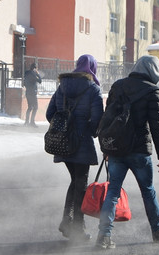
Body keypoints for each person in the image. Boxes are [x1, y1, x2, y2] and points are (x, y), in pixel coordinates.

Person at [95, 55, 159, 250]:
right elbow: (157, 127)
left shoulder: (118, 86)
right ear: (153, 71)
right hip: (139, 150)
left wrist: (107, 147)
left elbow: (108, 118)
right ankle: (158, 230)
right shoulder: (153, 91)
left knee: (112, 192)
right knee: (148, 191)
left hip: (116, 149)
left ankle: (104, 236)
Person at [46, 54, 104, 242]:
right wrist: (86, 132)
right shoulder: (93, 89)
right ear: (92, 68)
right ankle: (78, 228)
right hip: (81, 143)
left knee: (76, 182)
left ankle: (67, 221)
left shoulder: (62, 86)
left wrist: (65, 127)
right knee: (81, 185)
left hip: (62, 143)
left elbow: (50, 114)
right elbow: (97, 119)